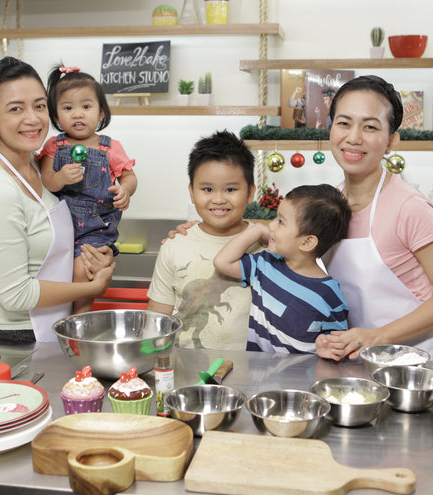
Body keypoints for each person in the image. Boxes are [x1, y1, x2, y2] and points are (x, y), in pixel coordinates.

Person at [0, 57, 115, 345]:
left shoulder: (42, 168)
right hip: (18, 337)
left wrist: (96, 256)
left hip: (53, 326)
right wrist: (90, 287)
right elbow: (16, 295)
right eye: (16, 109)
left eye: (39, 106)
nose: (33, 118)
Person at [316, 75, 433, 361]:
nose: (353, 137)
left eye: (370, 127)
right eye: (344, 123)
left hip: (426, 364)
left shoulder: (409, 207)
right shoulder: (328, 203)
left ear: (391, 141)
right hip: (365, 362)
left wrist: (379, 336)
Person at [38, 66, 137, 314]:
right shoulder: (54, 145)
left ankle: (80, 317)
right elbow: (46, 180)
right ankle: (61, 316)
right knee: (58, 273)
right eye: (68, 108)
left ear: (101, 112)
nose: (77, 114)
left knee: (84, 269)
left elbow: (130, 176)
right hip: (60, 225)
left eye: (86, 106)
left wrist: (125, 190)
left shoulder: (110, 147)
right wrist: (60, 177)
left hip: (95, 225)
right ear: (56, 116)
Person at [146, 130, 257, 350]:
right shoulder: (175, 245)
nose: (218, 199)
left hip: (253, 371)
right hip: (186, 370)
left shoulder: (267, 246)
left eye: (231, 189)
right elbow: (156, 321)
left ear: (250, 193)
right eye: (207, 189)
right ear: (192, 192)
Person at [214, 184, 351, 354]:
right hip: (258, 375)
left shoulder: (328, 294)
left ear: (307, 242)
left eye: (280, 222)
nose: (271, 226)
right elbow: (222, 262)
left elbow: (339, 345)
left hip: (300, 378)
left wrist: (327, 346)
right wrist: (256, 230)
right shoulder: (265, 264)